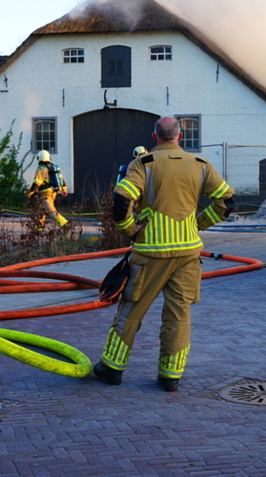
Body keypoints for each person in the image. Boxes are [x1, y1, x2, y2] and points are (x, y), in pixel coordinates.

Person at [93, 116, 234, 392]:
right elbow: (228, 200)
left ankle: (111, 368)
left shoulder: (143, 163)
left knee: (132, 310)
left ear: (154, 137)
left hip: (149, 255)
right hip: (188, 254)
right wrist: (199, 223)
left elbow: (121, 201)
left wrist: (130, 230)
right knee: (179, 314)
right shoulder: (201, 165)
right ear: (179, 137)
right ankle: (170, 376)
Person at [26, 150, 68, 227]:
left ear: (38, 158)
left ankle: (65, 224)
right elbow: (62, 180)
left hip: (46, 194)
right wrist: (64, 190)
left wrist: (30, 192)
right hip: (53, 192)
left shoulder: (41, 169)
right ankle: (38, 229)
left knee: (50, 210)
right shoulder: (53, 168)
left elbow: (37, 183)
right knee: (40, 211)